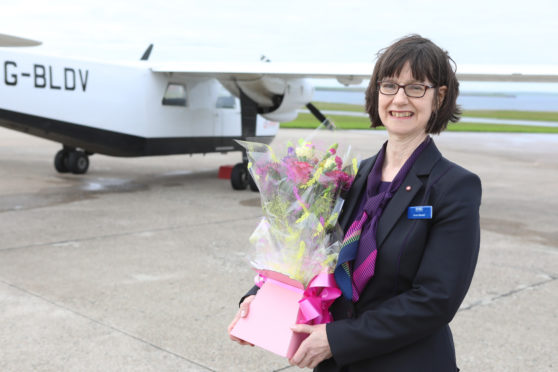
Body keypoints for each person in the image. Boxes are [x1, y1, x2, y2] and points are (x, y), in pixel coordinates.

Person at [228, 34, 481, 372]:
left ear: (439, 97)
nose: (400, 99)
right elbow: (308, 252)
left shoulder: (453, 187)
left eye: (416, 87)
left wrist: (338, 338)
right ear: (376, 92)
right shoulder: (350, 175)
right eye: (389, 85)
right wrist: (260, 298)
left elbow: (435, 300)